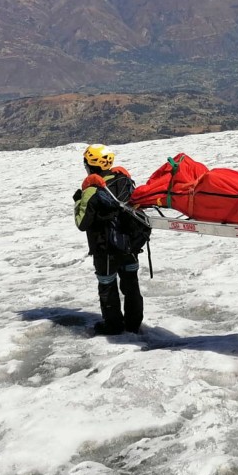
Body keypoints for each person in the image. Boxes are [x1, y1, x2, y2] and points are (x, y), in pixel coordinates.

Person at [73, 144, 144, 335]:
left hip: (104, 248)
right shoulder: (125, 181)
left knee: (107, 285)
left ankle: (113, 326)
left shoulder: (91, 190)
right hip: (130, 245)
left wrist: (78, 201)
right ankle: (134, 324)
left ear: (90, 164)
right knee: (131, 284)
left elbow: (82, 223)